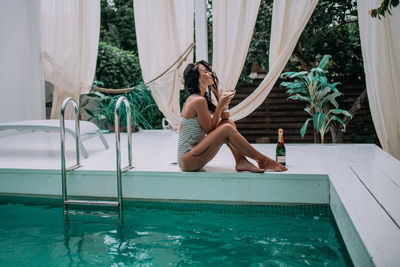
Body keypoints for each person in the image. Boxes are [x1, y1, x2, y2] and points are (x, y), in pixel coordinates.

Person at [177, 60, 287, 173]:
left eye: (209, 71)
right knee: (226, 128)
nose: (210, 73)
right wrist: (219, 106)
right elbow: (210, 130)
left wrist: (217, 94)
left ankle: (240, 161)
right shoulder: (198, 101)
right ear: (197, 79)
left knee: (228, 123)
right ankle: (263, 160)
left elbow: (225, 116)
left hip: (195, 155)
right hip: (187, 160)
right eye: (205, 72)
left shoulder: (201, 99)